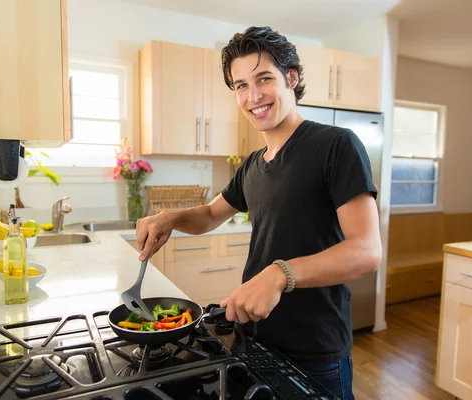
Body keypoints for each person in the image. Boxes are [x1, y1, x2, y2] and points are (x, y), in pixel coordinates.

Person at [135, 26, 382, 399]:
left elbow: (367, 251)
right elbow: (210, 215)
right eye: (240, 85)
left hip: (315, 351)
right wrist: (171, 219)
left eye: (264, 79)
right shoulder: (252, 165)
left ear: (291, 78)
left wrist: (281, 274)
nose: (253, 96)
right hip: (254, 337)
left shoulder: (335, 145)